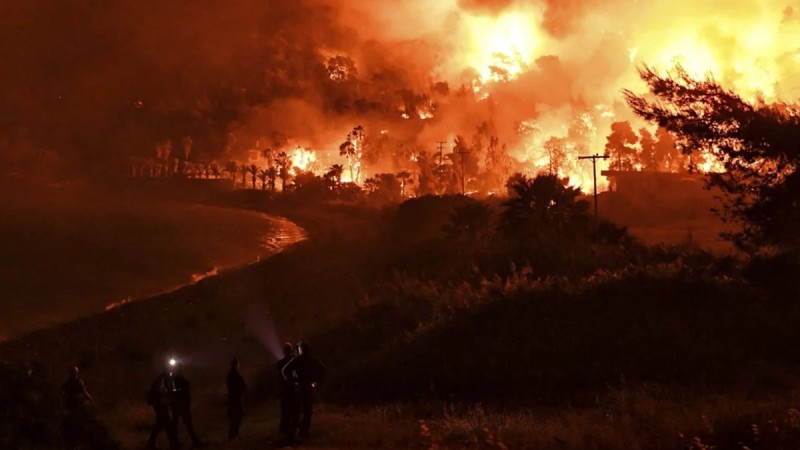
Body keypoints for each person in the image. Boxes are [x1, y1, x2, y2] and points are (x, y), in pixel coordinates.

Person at [288, 341, 326, 438]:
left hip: (299, 387)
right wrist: (316, 381)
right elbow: (323, 369)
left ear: (301, 349)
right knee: (307, 411)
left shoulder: (297, 360)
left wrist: (292, 380)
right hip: (308, 387)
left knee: (296, 409)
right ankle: (303, 432)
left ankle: (292, 431)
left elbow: (286, 369)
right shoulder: (312, 360)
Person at [146, 364, 179, 449]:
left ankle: (152, 443)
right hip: (160, 405)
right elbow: (162, 392)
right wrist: (170, 396)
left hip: (161, 405)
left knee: (161, 424)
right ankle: (173, 444)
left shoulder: (166, 378)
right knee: (166, 424)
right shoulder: (163, 379)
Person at [171, 365, 204, 447]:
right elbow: (186, 395)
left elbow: (181, 394)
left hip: (178, 406)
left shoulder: (175, 381)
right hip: (181, 407)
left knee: (179, 425)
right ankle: (193, 441)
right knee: (186, 425)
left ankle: (175, 442)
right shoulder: (181, 381)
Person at [61, 366, 93, 448]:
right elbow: (84, 392)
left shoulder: (68, 382)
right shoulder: (78, 382)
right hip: (77, 403)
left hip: (71, 403)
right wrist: (90, 398)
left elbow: (62, 392)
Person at [275, 342, 298, 442]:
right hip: (292, 388)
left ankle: (284, 427)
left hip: (284, 389)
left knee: (284, 408)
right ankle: (291, 427)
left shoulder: (280, 363)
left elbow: (278, 375)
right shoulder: (294, 361)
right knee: (293, 407)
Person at [226, 358, 246, 440]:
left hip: (232, 398)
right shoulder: (236, 375)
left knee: (234, 417)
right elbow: (243, 386)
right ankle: (234, 434)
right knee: (237, 416)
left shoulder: (229, 375)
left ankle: (233, 433)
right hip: (236, 398)